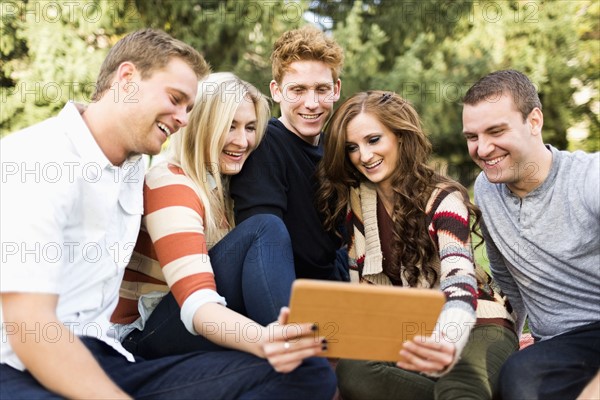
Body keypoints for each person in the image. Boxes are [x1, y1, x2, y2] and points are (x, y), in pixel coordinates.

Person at [0, 29, 333, 400]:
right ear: (127, 80)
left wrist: (271, 341)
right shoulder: (37, 159)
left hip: (113, 357)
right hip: (21, 365)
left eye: (190, 108)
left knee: (304, 375)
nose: (183, 120)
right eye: (175, 100)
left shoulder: (130, 168)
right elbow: (29, 327)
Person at [110, 72, 335, 399]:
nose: (242, 141)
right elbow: (196, 303)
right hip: (144, 336)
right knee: (265, 228)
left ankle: (296, 350)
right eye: (230, 126)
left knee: (302, 377)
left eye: (250, 128)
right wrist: (270, 343)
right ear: (201, 124)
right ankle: (293, 345)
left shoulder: (226, 190)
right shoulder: (170, 183)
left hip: (197, 324)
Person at [315, 91, 518, 399]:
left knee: (459, 388)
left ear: (400, 136)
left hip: (475, 321)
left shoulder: (443, 197)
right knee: (354, 371)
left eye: (373, 140)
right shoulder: (358, 203)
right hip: (409, 327)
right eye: (352, 148)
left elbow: (460, 281)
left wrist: (444, 343)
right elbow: (363, 291)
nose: (364, 156)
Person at [462, 69, 600, 399]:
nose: (483, 149)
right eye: (472, 137)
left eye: (496, 131)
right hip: (561, 349)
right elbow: (509, 283)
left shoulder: (589, 180)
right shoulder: (486, 189)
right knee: (518, 378)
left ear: (534, 121)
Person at [229, 25, 348, 281]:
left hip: (335, 289)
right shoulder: (265, 144)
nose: (312, 103)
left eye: (322, 89)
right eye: (298, 90)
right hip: (284, 296)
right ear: (276, 91)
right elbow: (265, 251)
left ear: (336, 89)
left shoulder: (336, 150)